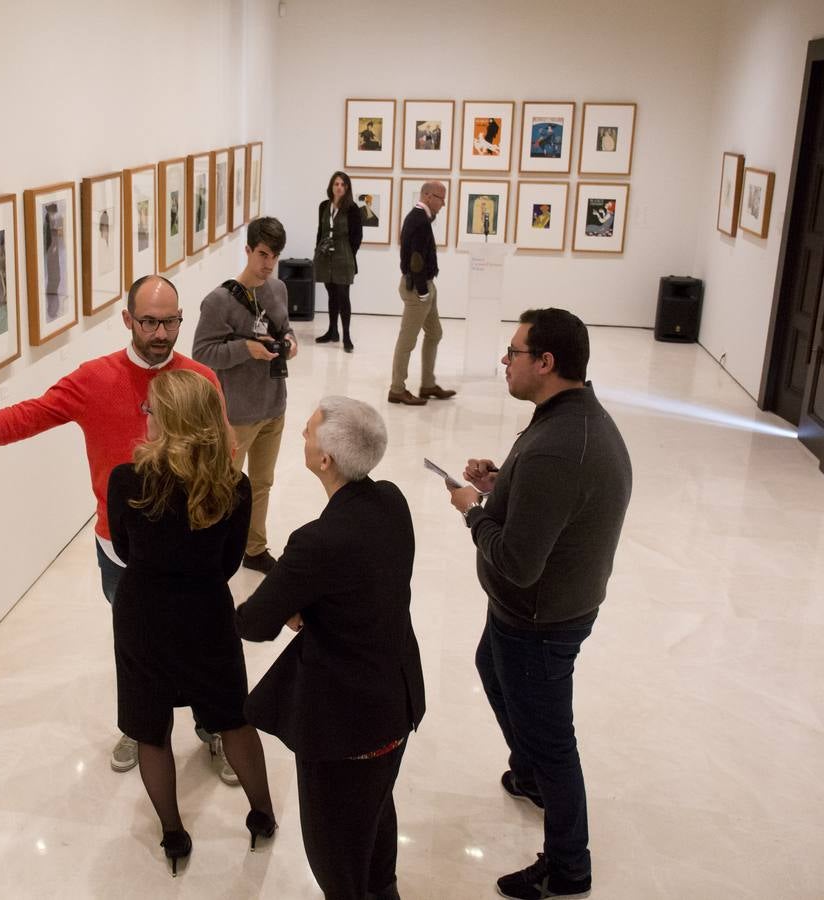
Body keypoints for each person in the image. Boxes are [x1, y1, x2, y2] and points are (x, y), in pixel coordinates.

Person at [0, 275, 233, 781]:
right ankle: (141, 726)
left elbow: (223, 454)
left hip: (191, 547)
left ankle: (213, 724)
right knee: (136, 643)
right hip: (121, 547)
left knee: (200, 641)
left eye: (171, 321)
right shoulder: (93, 380)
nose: (162, 333)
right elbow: (26, 417)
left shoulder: (200, 379)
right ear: (128, 321)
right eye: (151, 322)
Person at [444, 308, 632, 900]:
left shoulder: (557, 445)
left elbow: (519, 562)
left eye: (514, 352)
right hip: (538, 609)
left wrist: (473, 511)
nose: (505, 362)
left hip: (538, 616)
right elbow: (555, 504)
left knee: (554, 740)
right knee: (489, 670)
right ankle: (529, 773)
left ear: (546, 363)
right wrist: (503, 483)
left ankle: (569, 865)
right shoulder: (568, 418)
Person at [237, 396, 424, 900]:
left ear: (326, 460)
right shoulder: (390, 500)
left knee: (335, 849)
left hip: (346, 724)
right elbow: (366, 583)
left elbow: (255, 622)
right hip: (394, 703)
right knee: (376, 813)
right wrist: (313, 604)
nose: (301, 432)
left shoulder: (317, 542)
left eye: (308, 431)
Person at [107, 369, 275, 875]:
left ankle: (174, 834)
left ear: (170, 420)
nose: (147, 416)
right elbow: (228, 564)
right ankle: (262, 815)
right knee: (233, 717)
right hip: (206, 615)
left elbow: (123, 550)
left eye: (152, 410)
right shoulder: (235, 486)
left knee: (151, 729)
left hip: (143, 618)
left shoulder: (127, 480)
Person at [192, 216, 297, 575]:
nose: (268, 264)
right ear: (248, 250)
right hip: (236, 414)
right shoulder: (218, 302)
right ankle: (212, 552)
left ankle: (255, 548)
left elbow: (285, 328)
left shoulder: (278, 289)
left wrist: (290, 342)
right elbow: (202, 353)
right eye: (263, 254)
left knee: (263, 483)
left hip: (273, 406)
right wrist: (245, 349)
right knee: (223, 487)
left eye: (275, 256)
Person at [389, 181, 455, 406]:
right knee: (407, 341)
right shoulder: (418, 220)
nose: (443, 204)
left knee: (435, 333)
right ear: (428, 196)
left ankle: (428, 384)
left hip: (425, 286)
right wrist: (424, 291)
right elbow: (415, 260)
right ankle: (397, 389)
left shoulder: (421, 218)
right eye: (441, 199)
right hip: (419, 289)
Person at [313, 171, 364, 352]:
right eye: (336, 184)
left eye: (342, 184)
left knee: (343, 296)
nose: (339, 187)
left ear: (347, 187)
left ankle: (347, 336)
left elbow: (357, 237)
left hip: (344, 255)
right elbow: (321, 231)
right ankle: (332, 331)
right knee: (331, 293)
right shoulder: (324, 206)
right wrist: (317, 250)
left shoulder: (352, 209)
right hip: (326, 255)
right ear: (331, 186)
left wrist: (348, 253)